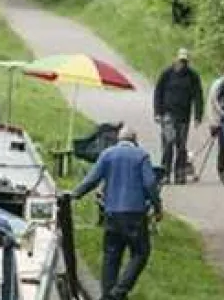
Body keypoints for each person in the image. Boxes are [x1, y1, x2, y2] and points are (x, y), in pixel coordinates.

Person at [67, 125, 161, 300]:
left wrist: (74, 195)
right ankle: (118, 292)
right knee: (141, 252)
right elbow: (150, 184)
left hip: (111, 213)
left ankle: (107, 294)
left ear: (119, 140)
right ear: (135, 141)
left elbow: (92, 179)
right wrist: (157, 208)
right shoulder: (141, 156)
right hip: (134, 214)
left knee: (111, 255)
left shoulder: (108, 154)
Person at [152, 48, 205, 184]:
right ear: (176, 59)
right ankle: (165, 173)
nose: (183, 64)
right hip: (167, 115)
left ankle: (179, 174)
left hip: (184, 116)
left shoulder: (193, 76)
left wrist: (198, 115)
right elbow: (158, 92)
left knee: (181, 146)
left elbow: (198, 95)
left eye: (185, 61)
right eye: (181, 61)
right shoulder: (167, 73)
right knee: (168, 143)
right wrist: (157, 112)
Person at [205, 63, 224, 182]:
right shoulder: (218, 84)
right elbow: (212, 103)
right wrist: (213, 122)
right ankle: (222, 170)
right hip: (221, 120)